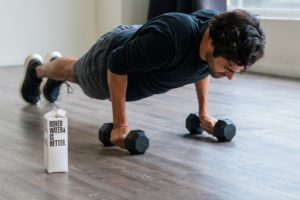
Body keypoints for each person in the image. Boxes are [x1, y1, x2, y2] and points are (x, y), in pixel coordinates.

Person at [20, 9, 266, 149]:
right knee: (80, 74)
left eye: (237, 70)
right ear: (212, 43)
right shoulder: (172, 40)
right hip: (110, 57)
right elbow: (117, 63)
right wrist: (120, 126)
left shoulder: (215, 31)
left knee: (76, 71)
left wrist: (204, 113)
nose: (231, 77)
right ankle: (38, 70)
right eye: (229, 67)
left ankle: (54, 69)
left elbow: (202, 69)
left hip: (141, 43)